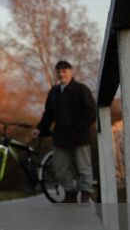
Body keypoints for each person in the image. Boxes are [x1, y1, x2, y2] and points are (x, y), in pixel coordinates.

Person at [33, 60, 97, 202]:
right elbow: (48, 115)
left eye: (64, 71)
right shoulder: (54, 92)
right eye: (59, 72)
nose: (61, 74)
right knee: (60, 168)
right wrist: (39, 128)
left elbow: (91, 112)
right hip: (60, 138)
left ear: (70, 72)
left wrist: (77, 129)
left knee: (83, 167)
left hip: (80, 137)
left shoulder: (81, 90)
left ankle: (85, 193)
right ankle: (70, 193)